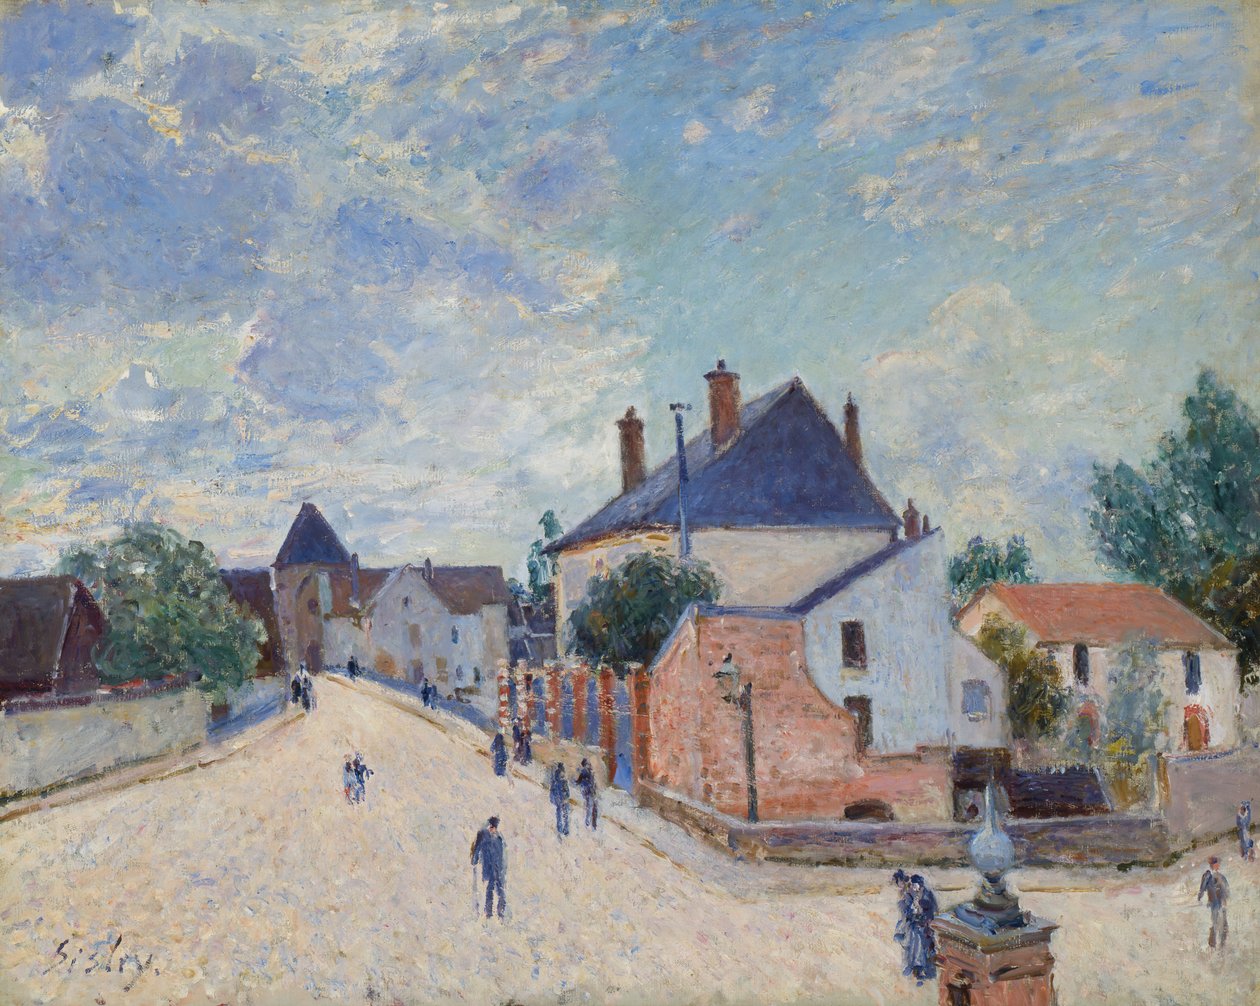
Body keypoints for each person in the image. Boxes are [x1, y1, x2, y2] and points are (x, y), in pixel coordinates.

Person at [471, 817, 507, 920]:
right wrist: (474, 860)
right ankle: (489, 913)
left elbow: (501, 856)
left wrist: (501, 869)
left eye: (494, 827)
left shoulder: (498, 839)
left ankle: (501, 913)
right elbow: (477, 849)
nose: (492, 829)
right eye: (491, 827)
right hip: (488, 868)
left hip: (498, 869)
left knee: (500, 891)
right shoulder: (484, 837)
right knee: (489, 890)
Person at [905, 875, 938, 984]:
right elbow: (914, 908)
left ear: (919, 884)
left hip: (925, 925)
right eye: (912, 884)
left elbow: (932, 910)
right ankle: (917, 968)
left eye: (914, 884)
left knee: (922, 947)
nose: (913, 886)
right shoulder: (917, 894)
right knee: (915, 946)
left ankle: (924, 970)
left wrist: (924, 920)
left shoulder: (927, 894)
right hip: (917, 923)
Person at [1199, 855, 1230, 948]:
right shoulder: (1208, 876)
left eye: (1218, 864)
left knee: (1224, 924)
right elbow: (1202, 888)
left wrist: (1225, 899)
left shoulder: (1221, 876)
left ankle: (1223, 944)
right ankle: (1212, 944)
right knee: (1215, 924)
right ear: (1212, 865)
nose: (1217, 865)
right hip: (1214, 904)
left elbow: (1226, 889)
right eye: (1215, 864)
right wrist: (1200, 897)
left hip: (1221, 903)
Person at [575, 757, 598, 830]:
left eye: (589, 763)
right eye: (588, 763)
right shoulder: (584, 772)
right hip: (589, 793)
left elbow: (579, 782)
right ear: (585, 765)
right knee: (590, 807)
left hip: (592, 792)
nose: (590, 764)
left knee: (594, 808)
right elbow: (579, 782)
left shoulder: (590, 772)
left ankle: (593, 825)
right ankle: (588, 823)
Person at [549, 762, 571, 837]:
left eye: (563, 773)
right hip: (559, 800)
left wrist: (567, 798)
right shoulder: (556, 782)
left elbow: (567, 792)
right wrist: (557, 799)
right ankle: (560, 829)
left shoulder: (564, 782)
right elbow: (554, 791)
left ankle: (566, 829)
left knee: (565, 814)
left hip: (564, 800)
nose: (563, 774)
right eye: (562, 773)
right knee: (560, 814)